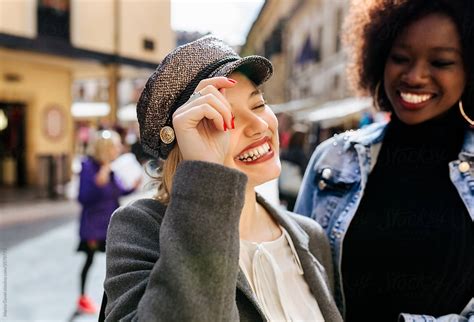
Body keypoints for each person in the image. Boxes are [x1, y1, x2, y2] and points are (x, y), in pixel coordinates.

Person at [102, 36, 342, 321]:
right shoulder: (140, 228)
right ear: (185, 144)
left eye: (257, 105)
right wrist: (206, 177)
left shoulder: (309, 235)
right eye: (224, 120)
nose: (258, 125)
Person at [295, 1, 474, 321]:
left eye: (441, 61)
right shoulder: (334, 158)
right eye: (400, 58)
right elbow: (294, 280)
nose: (415, 76)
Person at [76, 130, 138, 314]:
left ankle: (112, 304)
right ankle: (82, 298)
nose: (118, 150)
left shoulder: (110, 168)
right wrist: (98, 181)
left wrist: (132, 187)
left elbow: (117, 192)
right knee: (89, 261)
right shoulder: (89, 167)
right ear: (106, 149)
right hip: (94, 227)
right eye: (115, 147)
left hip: (110, 225)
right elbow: (83, 197)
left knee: (114, 265)